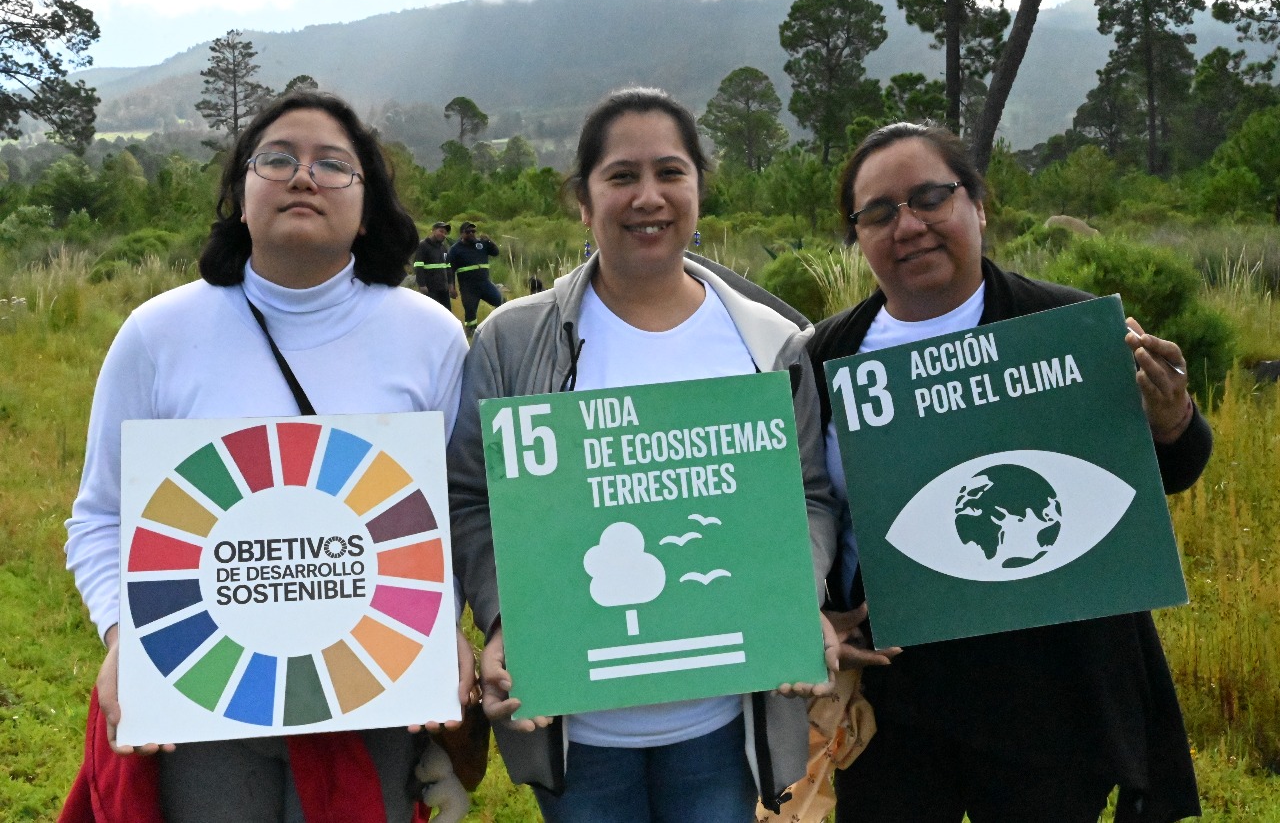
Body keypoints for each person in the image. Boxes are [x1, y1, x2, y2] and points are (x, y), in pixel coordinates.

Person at [62, 90, 472, 822]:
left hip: (372, 693)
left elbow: (452, 514)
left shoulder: (431, 336)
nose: (304, 176)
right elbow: (100, 515)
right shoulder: (158, 333)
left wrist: (446, 630)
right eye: (277, 158)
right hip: (203, 697)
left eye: (334, 164)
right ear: (240, 197)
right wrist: (126, 637)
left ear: (367, 204)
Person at [447, 87, 844, 822]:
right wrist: (506, 615)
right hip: (577, 725)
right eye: (621, 176)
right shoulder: (510, 340)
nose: (648, 197)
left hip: (723, 724)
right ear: (582, 198)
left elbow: (810, 494)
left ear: (700, 186)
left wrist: (798, 592)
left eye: (671, 172)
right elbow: (471, 497)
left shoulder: (770, 343)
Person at [808, 122, 1212, 823]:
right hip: (896, 701)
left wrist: (1172, 418)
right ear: (857, 235)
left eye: (931, 197)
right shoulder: (825, 355)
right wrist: (808, 609)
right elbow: (803, 501)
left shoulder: (1069, 328)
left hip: (1048, 695)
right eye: (878, 212)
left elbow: (1173, 468)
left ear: (979, 205)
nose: (909, 226)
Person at [446, 221, 503, 335]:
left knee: (499, 300)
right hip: (468, 287)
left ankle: (502, 323)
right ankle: (471, 332)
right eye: (468, 232)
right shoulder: (455, 249)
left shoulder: (481, 244)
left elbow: (496, 252)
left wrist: (489, 241)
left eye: (473, 231)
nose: (472, 233)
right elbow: (450, 269)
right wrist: (451, 287)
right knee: (470, 310)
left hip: (484, 283)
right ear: (462, 234)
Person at [414, 220, 454, 309]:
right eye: (441, 231)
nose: (443, 234)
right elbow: (418, 266)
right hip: (430, 289)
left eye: (445, 233)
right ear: (433, 231)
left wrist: (451, 285)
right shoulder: (423, 245)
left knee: (447, 313)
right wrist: (422, 285)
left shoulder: (443, 248)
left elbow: (448, 267)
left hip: (443, 289)